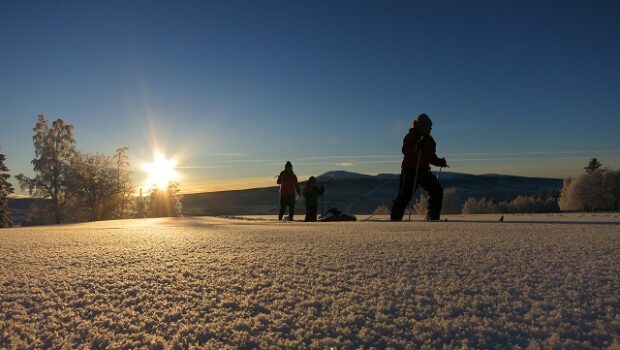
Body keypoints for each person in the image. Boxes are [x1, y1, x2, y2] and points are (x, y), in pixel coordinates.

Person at [391, 113, 448, 221]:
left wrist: (439, 162)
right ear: (421, 125)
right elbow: (406, 151)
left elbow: (430, 157)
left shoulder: (430, 141)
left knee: (437, 191)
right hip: (409, 172)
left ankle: (432, 214)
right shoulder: (410, 137)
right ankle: (395, 218)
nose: (430, 128)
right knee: (404, 196)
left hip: (423, 171)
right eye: (428, 126)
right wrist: (416, 148)